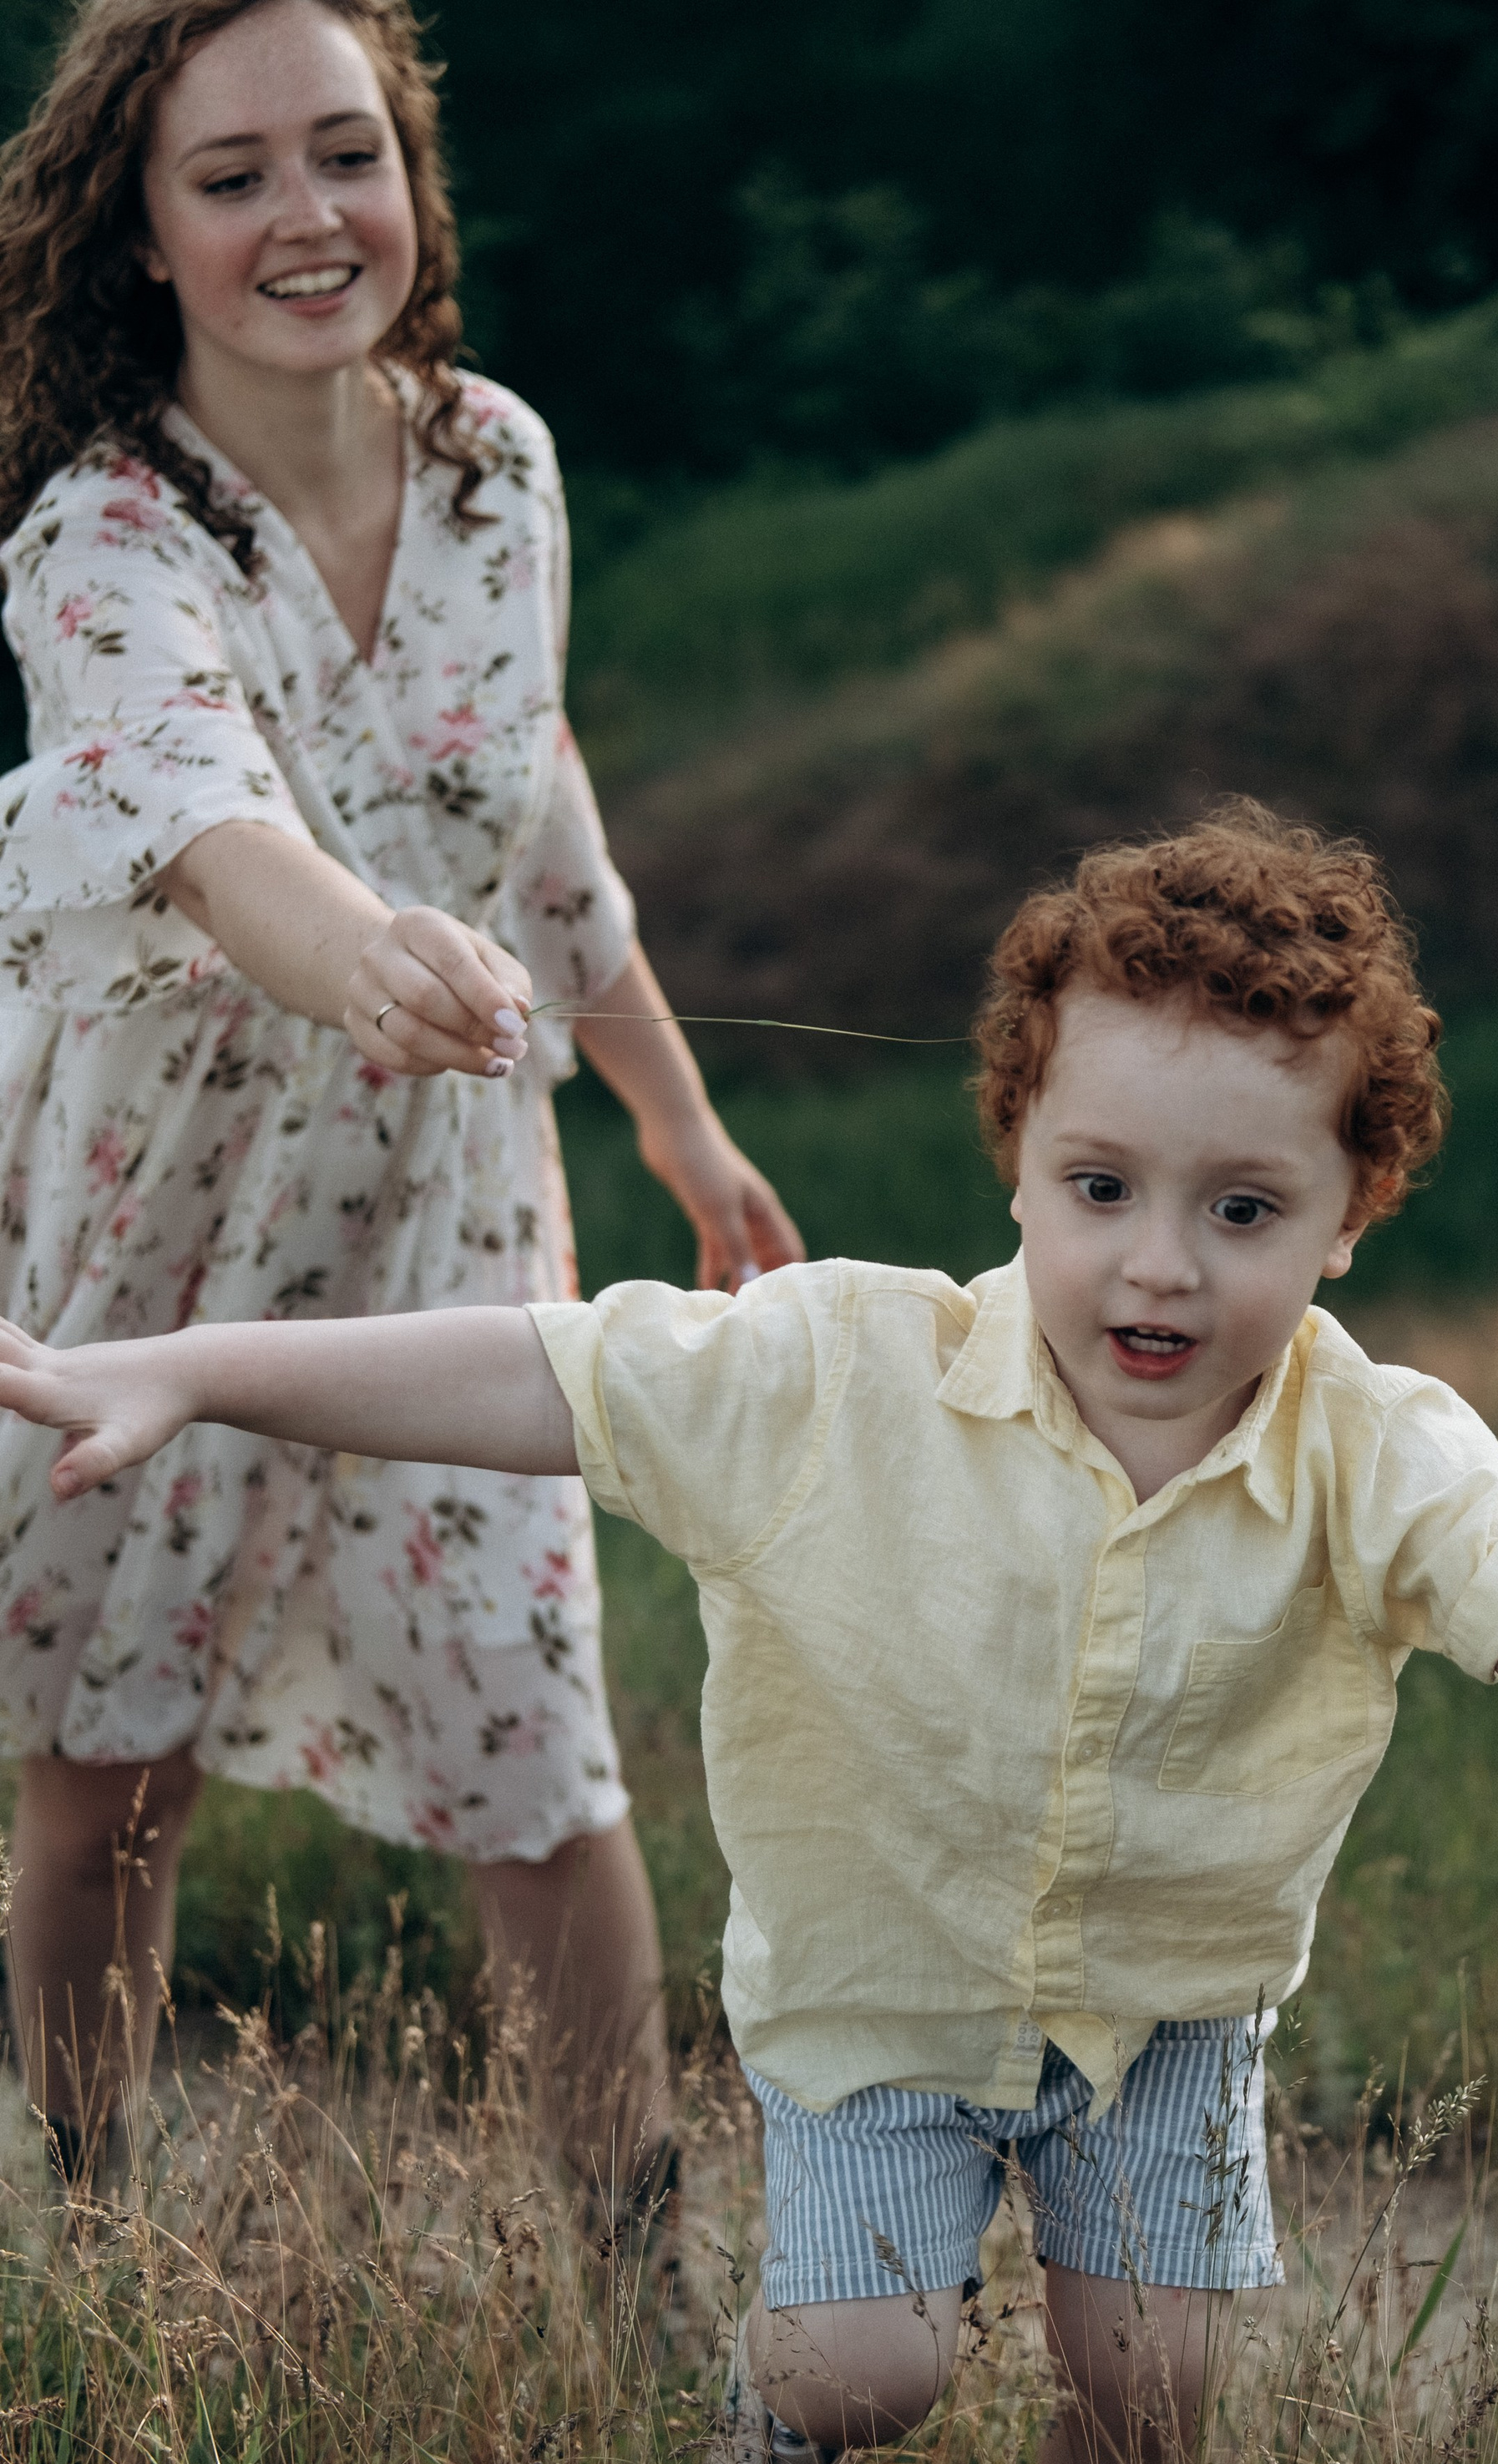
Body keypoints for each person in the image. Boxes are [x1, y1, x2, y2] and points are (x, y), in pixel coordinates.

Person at [0, 803, 1498, 2464]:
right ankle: (778, 2438)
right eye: (1099, 1184)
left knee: (1154, 2369)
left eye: (1242, 1211)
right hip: (883, 1995)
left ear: (1351, 1211)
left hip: (1171, 2006)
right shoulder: (834, 1376)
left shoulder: (1375, 1457)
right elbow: (532, 1370)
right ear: (1015, 1151)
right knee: (869, 2364)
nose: (1158, 1268)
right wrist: (192, 1367)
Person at [0, 0, 802, 2188]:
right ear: (143, 231)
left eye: (345, 154)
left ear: (411, 173)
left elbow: (529, 800)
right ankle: (93, 2237)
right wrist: (361, 953)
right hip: (154, 1213)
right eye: (232, 174)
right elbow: (193, 816)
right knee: (103, 1752)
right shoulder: (103, 534)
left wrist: (673, 1112)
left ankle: (639, 2292)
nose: (304, 217)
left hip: (451, 1217)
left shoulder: (498, 464)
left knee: (533, 1748)